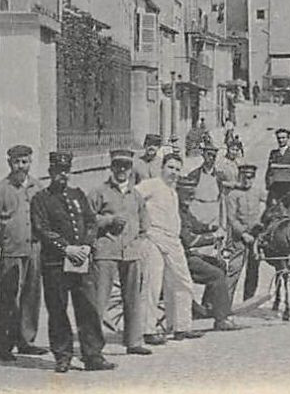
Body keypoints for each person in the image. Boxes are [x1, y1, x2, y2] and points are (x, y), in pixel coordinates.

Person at [29, 152, 109, 372]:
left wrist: (86, 245)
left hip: (81, 262)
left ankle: (93, 355)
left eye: (65, 171)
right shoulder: (40, 199)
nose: (62, 175)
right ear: (50, 172)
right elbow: (42, 229)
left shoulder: (78, 195)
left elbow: (91, 222)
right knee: (57, 310)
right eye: (57, 171)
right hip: (55, 264)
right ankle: (62, 355)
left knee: (88, 308)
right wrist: (67, 248)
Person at [0, 144, 47, 362]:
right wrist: (6, 241)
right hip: (12, 251)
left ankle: (26, 341)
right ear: (9, 163)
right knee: (9, 297)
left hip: (35, 250)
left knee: (32, 296)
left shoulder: (38, 187)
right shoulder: (0, 189)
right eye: (16, 162)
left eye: (25, 162)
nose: (21, 166)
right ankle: (4, 345)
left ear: (30, 162)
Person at [88, 148, 151, 356]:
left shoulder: (137, 195)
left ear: (131, 168)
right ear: (111, 167)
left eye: (126, 166)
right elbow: (87, 219)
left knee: (132, 298)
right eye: (118, 165)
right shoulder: (99, 192)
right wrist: (108, 221)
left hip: (131, 252)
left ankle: (133, 341)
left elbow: (145, 223)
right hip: (106, 250)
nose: (122, 170)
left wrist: (139, 242)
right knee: (99, 299)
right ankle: (93, 345)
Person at [136, 153, 202, 344]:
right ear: (162, 167)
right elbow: (133, 198)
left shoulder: (173, 191)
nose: (174, 172)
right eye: (171, 167)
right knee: (152, 285)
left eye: (177, 169)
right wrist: (142, 226)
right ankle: (147, 331)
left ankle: (182, 327)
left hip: (173, 241)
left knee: (183, 282)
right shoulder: (152, 184)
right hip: (154, 238)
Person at [179, 194, 241, 332]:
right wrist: (211, 238)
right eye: (186, 192)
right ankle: (221, 319)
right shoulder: (176, 212)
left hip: (186, 254)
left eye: (192, 192)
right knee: (217, 275)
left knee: (221, 265)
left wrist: (211, 227)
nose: (190, 196)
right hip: (181, 258)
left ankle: (210, 305)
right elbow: (189, 240)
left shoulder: (183, 210)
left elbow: (195, 224)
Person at [224, 162, 266, 282]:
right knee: (234, 270)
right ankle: (225, 301)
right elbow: (231, 218)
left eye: (250, 177)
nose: (247, 180)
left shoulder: (257, 191)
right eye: (244, 177)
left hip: (255, 237)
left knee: (253, 272)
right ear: (240, 177)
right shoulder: (233, 194)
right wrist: (243, 234)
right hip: (239, 239)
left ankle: (249, 300)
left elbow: (271, 200)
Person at [179, 139, 237, 227]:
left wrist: (222, 225)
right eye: (209, 155)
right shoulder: (194, 175)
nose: (211, 158)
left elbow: (222, 201)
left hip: (214, 221)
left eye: (214, 156)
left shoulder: (219, 176)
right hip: (197, 218)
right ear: (203, 155)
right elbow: (186, 201)